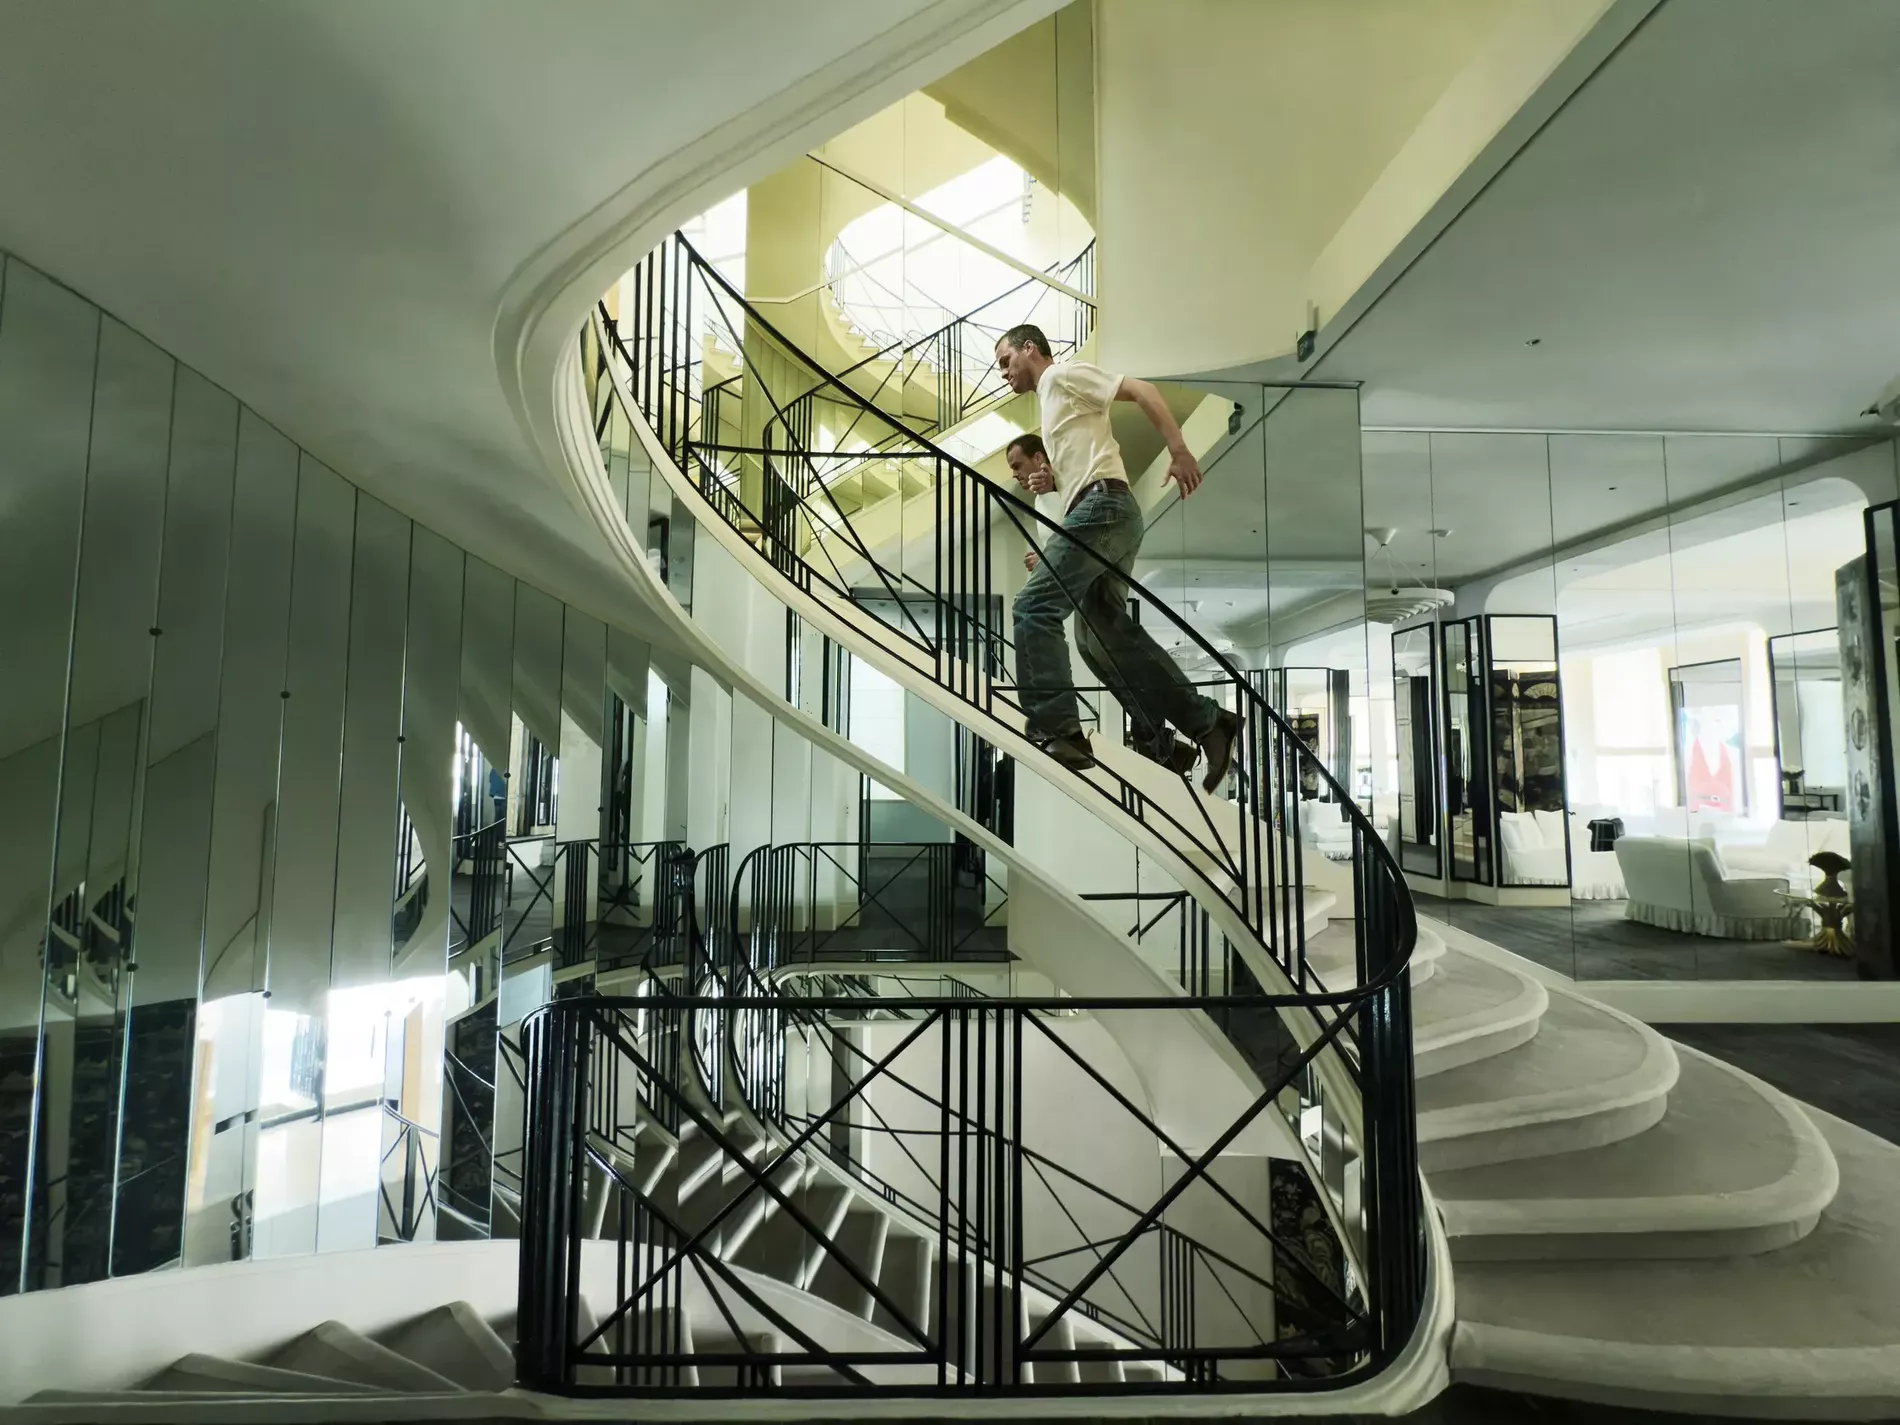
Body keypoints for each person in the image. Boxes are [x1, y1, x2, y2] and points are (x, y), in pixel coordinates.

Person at [995, 324, 1238, 791]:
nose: (1003, 373)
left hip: (1103, 507)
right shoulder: (1052, 400)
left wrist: (1180, 450)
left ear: (1030, 349)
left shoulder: (1061, 376)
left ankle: (1058, 729)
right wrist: (1055, 483)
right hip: (1103, 511)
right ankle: (1201, 727)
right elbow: (1086, 461)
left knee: (1032, 607)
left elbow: (1142, 390)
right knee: (1099, 636)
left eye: (1006, 361)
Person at [1006, 433, 1199, 776]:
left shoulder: (1065, 477)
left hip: (1102, 547)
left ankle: (1181, 726)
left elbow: (1081, 512)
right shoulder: (1041, 500)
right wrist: (1046, 556)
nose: (1016, 474)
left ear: (1039, 459)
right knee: (1093, 647)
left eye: (1018, 465)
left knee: (1043, 614)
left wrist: (1052, 483)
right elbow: (1066, 537)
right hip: (1086, 569)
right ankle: (1160, 740)